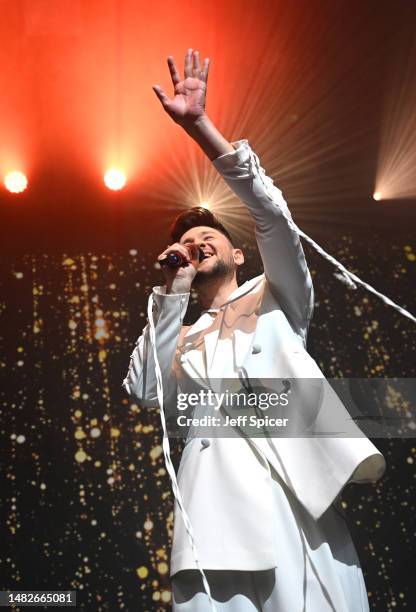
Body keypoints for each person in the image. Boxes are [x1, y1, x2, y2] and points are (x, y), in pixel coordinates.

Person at [123, 49, 386, 611]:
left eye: (207, 233)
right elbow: (147, 392)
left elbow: (271, 213)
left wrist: (201, 128)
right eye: (186, 240)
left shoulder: (276, 297)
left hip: (289, 499)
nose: (196, 241)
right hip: (211, 521)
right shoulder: (179, 332)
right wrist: (171, 292)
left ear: (240, 253)